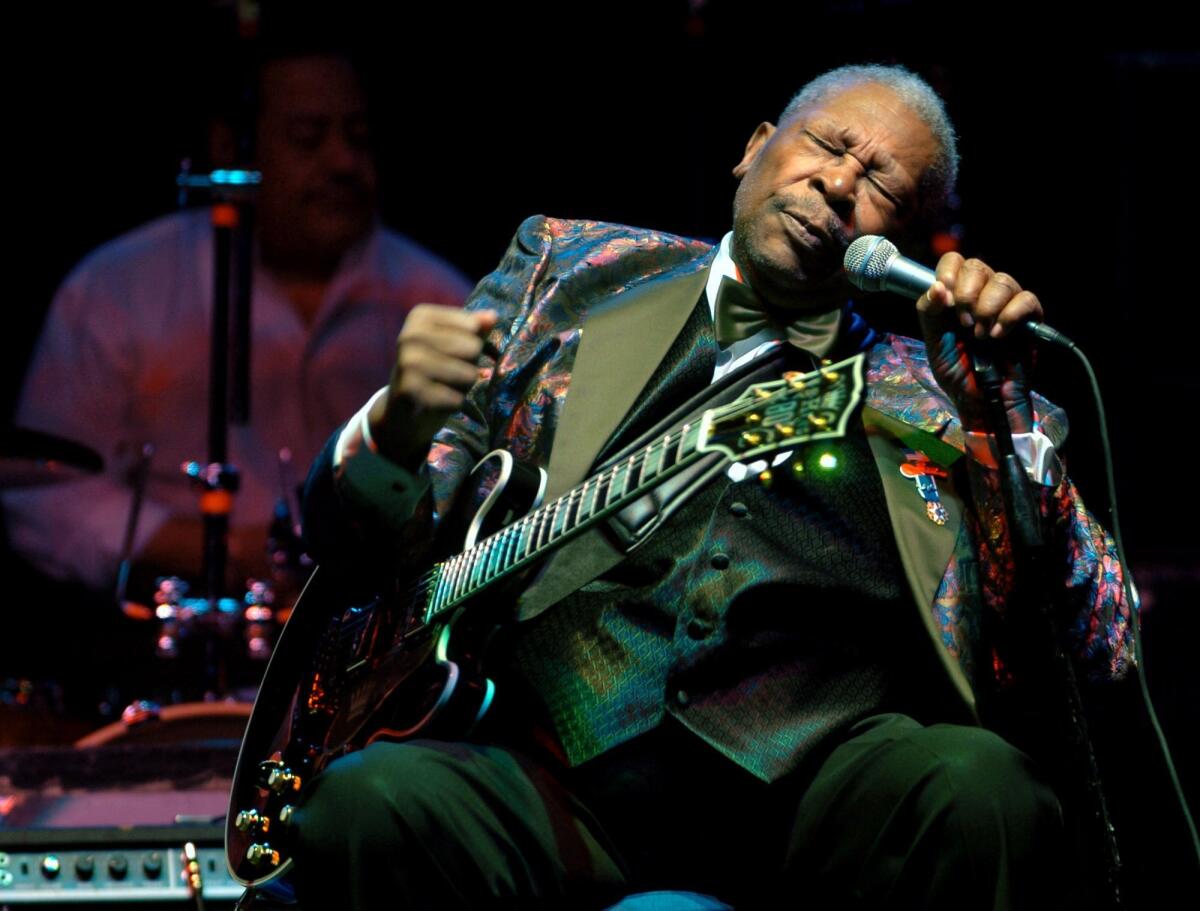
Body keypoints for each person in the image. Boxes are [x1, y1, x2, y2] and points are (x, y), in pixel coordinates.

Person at [290, 64, 1133, 910]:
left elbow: (1106, 645)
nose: (838, 184)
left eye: (881, 184)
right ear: (756, 148)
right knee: (368, 803)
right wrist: (397, 427)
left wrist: (996, 423)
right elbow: (370, 540)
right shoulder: (568, 270)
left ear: (903, 247)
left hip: (812, 805)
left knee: (984, 786)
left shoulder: (946, 394)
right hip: (548, 780)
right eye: (828, 145)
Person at [3, 49, 473, 593]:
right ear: (231, 146)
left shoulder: (436, 296)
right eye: (307, 136)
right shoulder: (118, 287)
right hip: (168, 641)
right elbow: (43, 498)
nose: (343, 162)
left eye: (359, 136)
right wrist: (225, 551)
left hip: (367, 643)